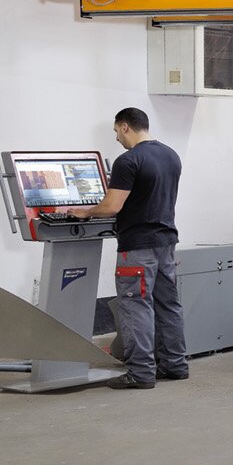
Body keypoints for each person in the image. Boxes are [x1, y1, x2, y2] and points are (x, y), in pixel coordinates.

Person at [70, 108, 185, 390]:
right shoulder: (170, 155)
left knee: (135, 307)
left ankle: (141, 373)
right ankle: (175, 365)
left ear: (124, 127)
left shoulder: (128, 161)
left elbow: (112, 206)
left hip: (138, 248)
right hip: (166, 243)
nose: (117, 138)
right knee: (168, 305)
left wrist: (85, 212)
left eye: (116, 132)